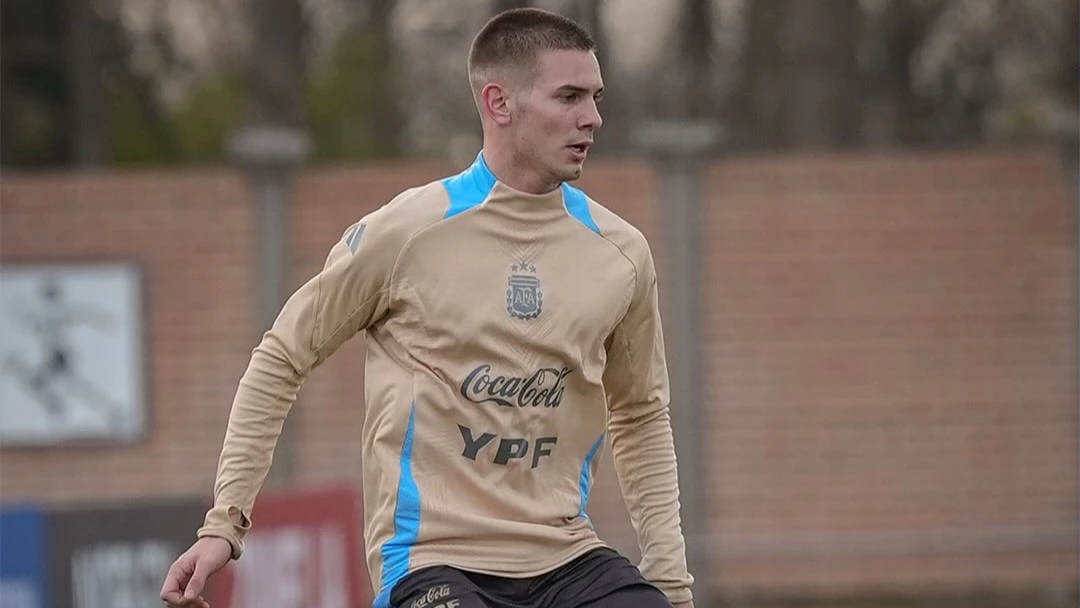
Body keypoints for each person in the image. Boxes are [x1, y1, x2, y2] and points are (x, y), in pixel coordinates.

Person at [161, 7, 695, 608]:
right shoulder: (407, 234)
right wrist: (224, 524)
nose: (592, 118)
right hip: (432, 563)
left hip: (568, 557)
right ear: (499, 103)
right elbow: (280, 357)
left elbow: (641, 414)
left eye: (596, 97)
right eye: (569, 96)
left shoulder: (620, 253)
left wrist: (670, 584)